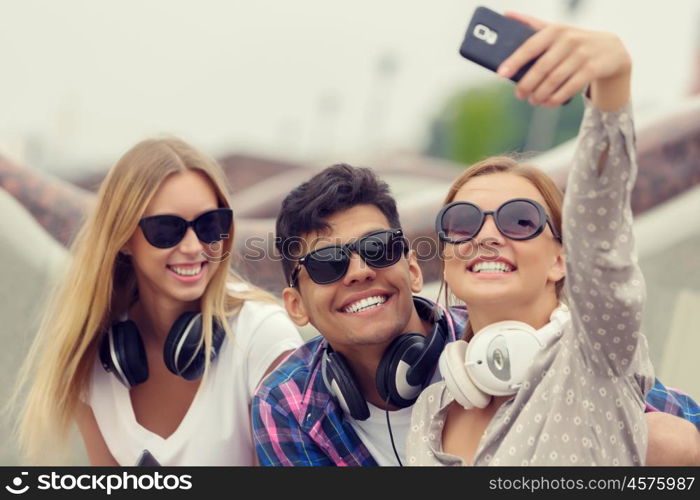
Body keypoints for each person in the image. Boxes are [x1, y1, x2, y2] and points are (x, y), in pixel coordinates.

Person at [251, 164, 699, 466]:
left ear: (410, 269)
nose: (360, 272)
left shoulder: (505, 340)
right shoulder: (288, 403)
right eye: (329, 263)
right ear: (295, 305)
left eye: (376, 249)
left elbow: (676, 427)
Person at [406, 13, 699, 466]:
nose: (486, 235)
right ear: (445, 258)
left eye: (520, 221)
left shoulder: (596, 356)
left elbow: (602, 237)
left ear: (561, 260)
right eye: (462, 222)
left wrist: (611, 87)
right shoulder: (430, 413)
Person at [13, 137, 303, 465]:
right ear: (123, 239)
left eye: (210, 225)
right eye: (166, 229)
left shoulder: (262, 338)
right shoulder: (91, 359)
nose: (194, 246)